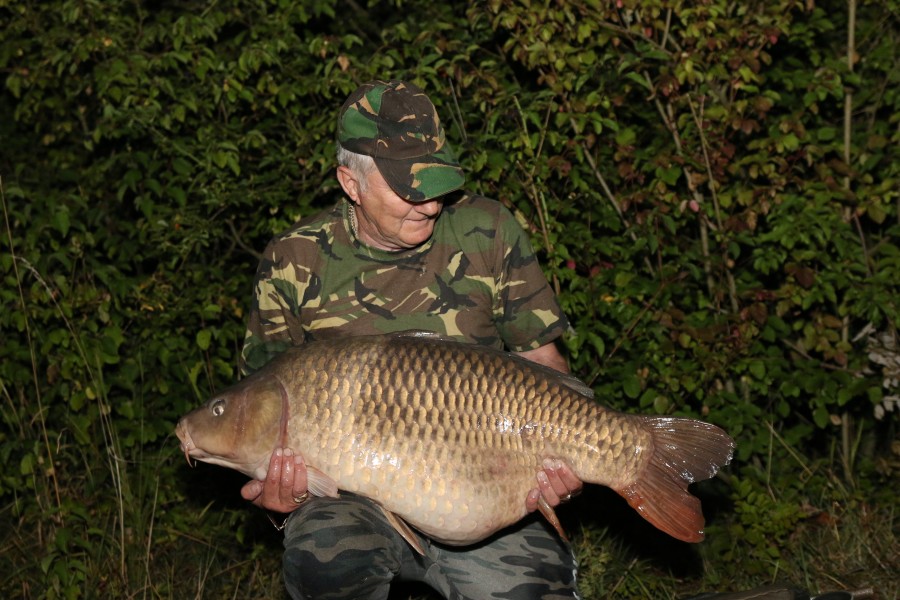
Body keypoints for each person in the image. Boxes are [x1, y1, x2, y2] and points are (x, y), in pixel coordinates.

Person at [238, 79, 584, 600]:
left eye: (436, 183)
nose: (427, 205)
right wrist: (274, 492)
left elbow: (543, 359)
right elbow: (258, 412)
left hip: (487, 479)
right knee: (324, 559)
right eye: (407, 187)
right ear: (350, 182)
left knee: (533, 588)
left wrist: (570, 453)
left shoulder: (486, 228)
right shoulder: (294, 260)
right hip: (352, 501)